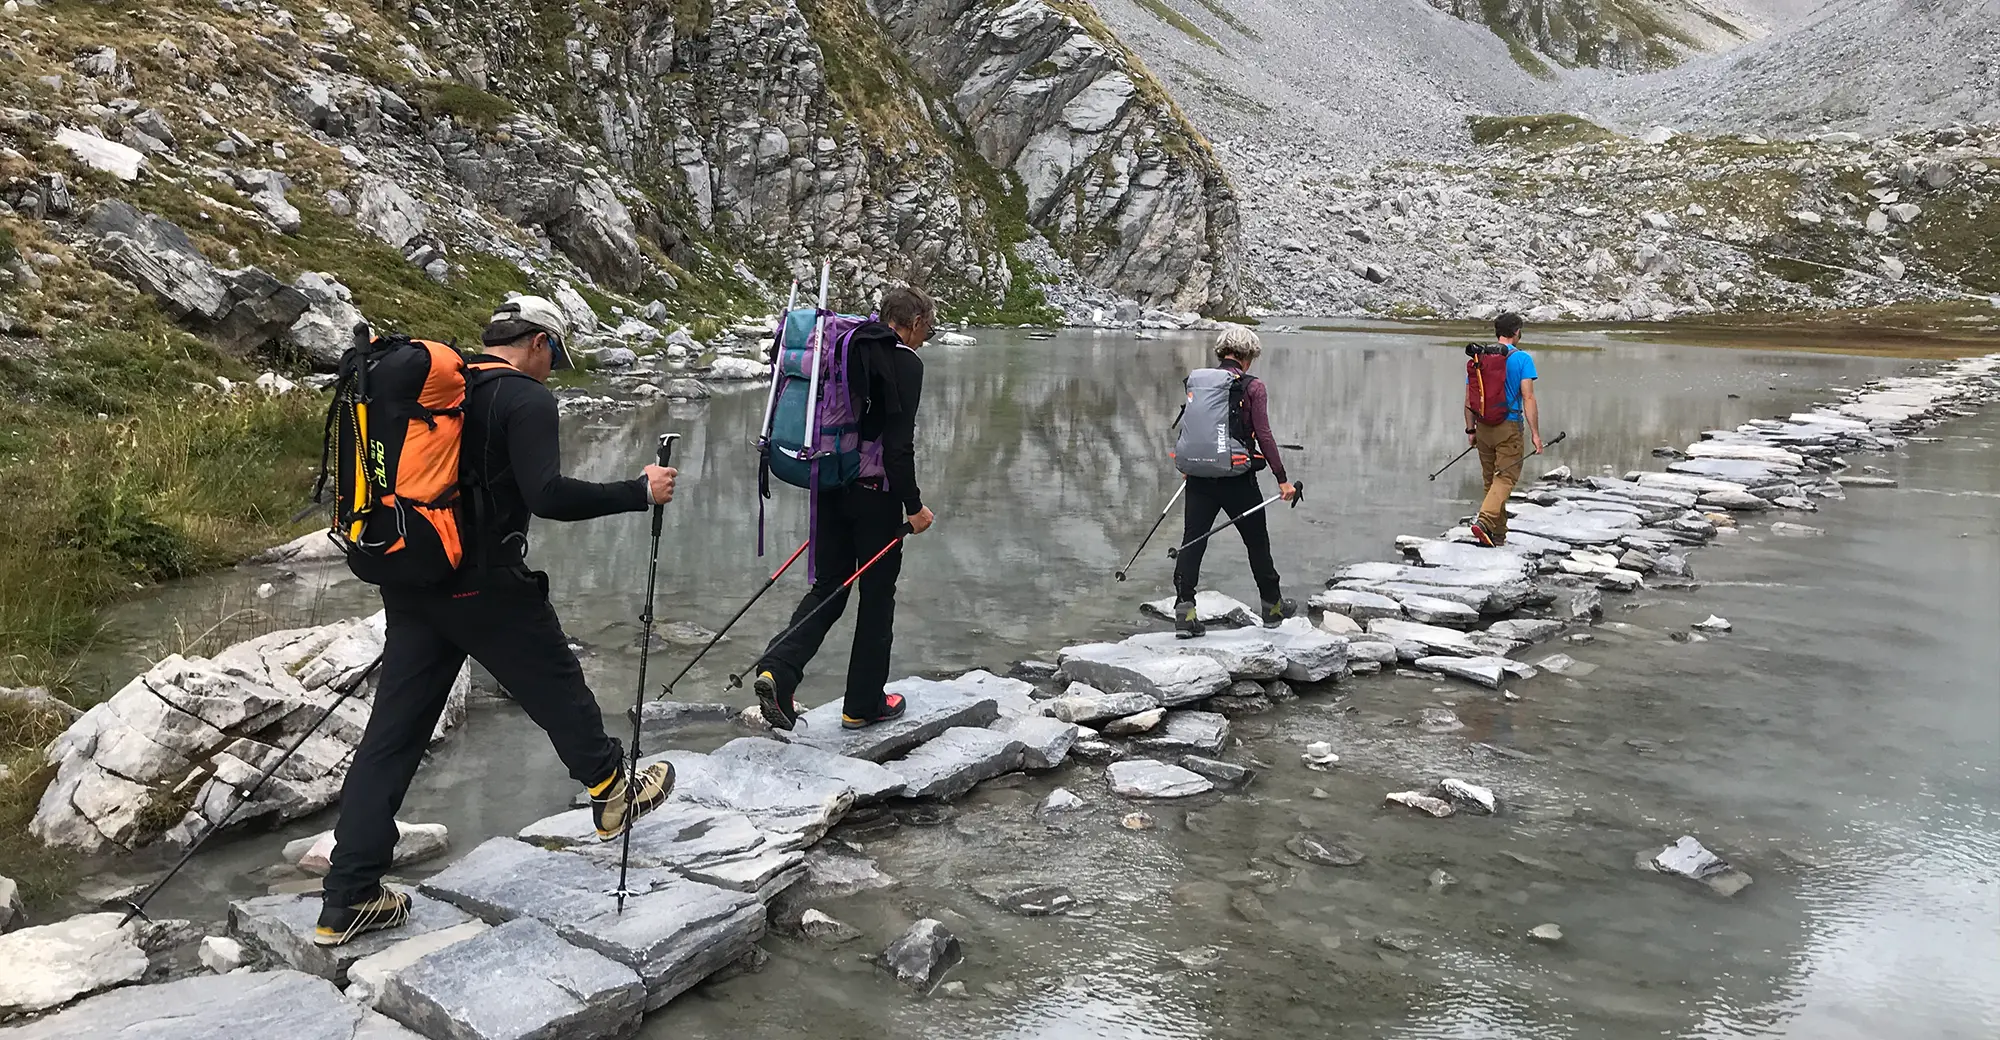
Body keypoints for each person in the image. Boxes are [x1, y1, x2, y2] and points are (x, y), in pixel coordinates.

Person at [317, 295, 680, 946]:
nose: (553, 367)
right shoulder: (524, 398)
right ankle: (610, 791)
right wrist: (638, 491)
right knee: (557, 682)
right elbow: (548, 495)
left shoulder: (448, 390)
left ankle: (348, 897)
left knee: (392, 741)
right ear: (538, 343)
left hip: (414, 584)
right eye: (555, 354)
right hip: (486, 588)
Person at [752, 285, 936, 732]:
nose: (927, 338)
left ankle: (778, 669)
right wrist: (914, 506)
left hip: (828, 479)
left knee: (830, 585)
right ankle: (862, 705)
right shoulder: (904, 362)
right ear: (912, 323)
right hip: (875, 495)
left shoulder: (844, 346)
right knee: (877, 598)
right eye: (928, 329)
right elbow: (897, 446)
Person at [1172, 324, 1298, 638]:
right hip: (1238, 478)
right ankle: (1272, 607)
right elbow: (1264, 435)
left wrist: (1191, 464)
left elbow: (1191, 428)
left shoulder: (1199, 383)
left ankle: (1184, 613)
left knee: (1193, 541)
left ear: (1222, 353)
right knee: (1257, 542)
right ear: (1247, 356)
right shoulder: (1252, 387)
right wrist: (1282, 479)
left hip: (1199, 476)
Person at [1467, 311, 1542, 547]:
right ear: (1517, 332)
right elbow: (1528, 398)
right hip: (1508, 426)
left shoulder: (1480, 358)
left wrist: (1471, 431)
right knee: (1506, 477)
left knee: (1491, 480)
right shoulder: (1522, 359)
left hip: (1483, 426)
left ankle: (1497, 535)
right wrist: (1536, 435)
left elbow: (1469, 400)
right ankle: (1485, 521)